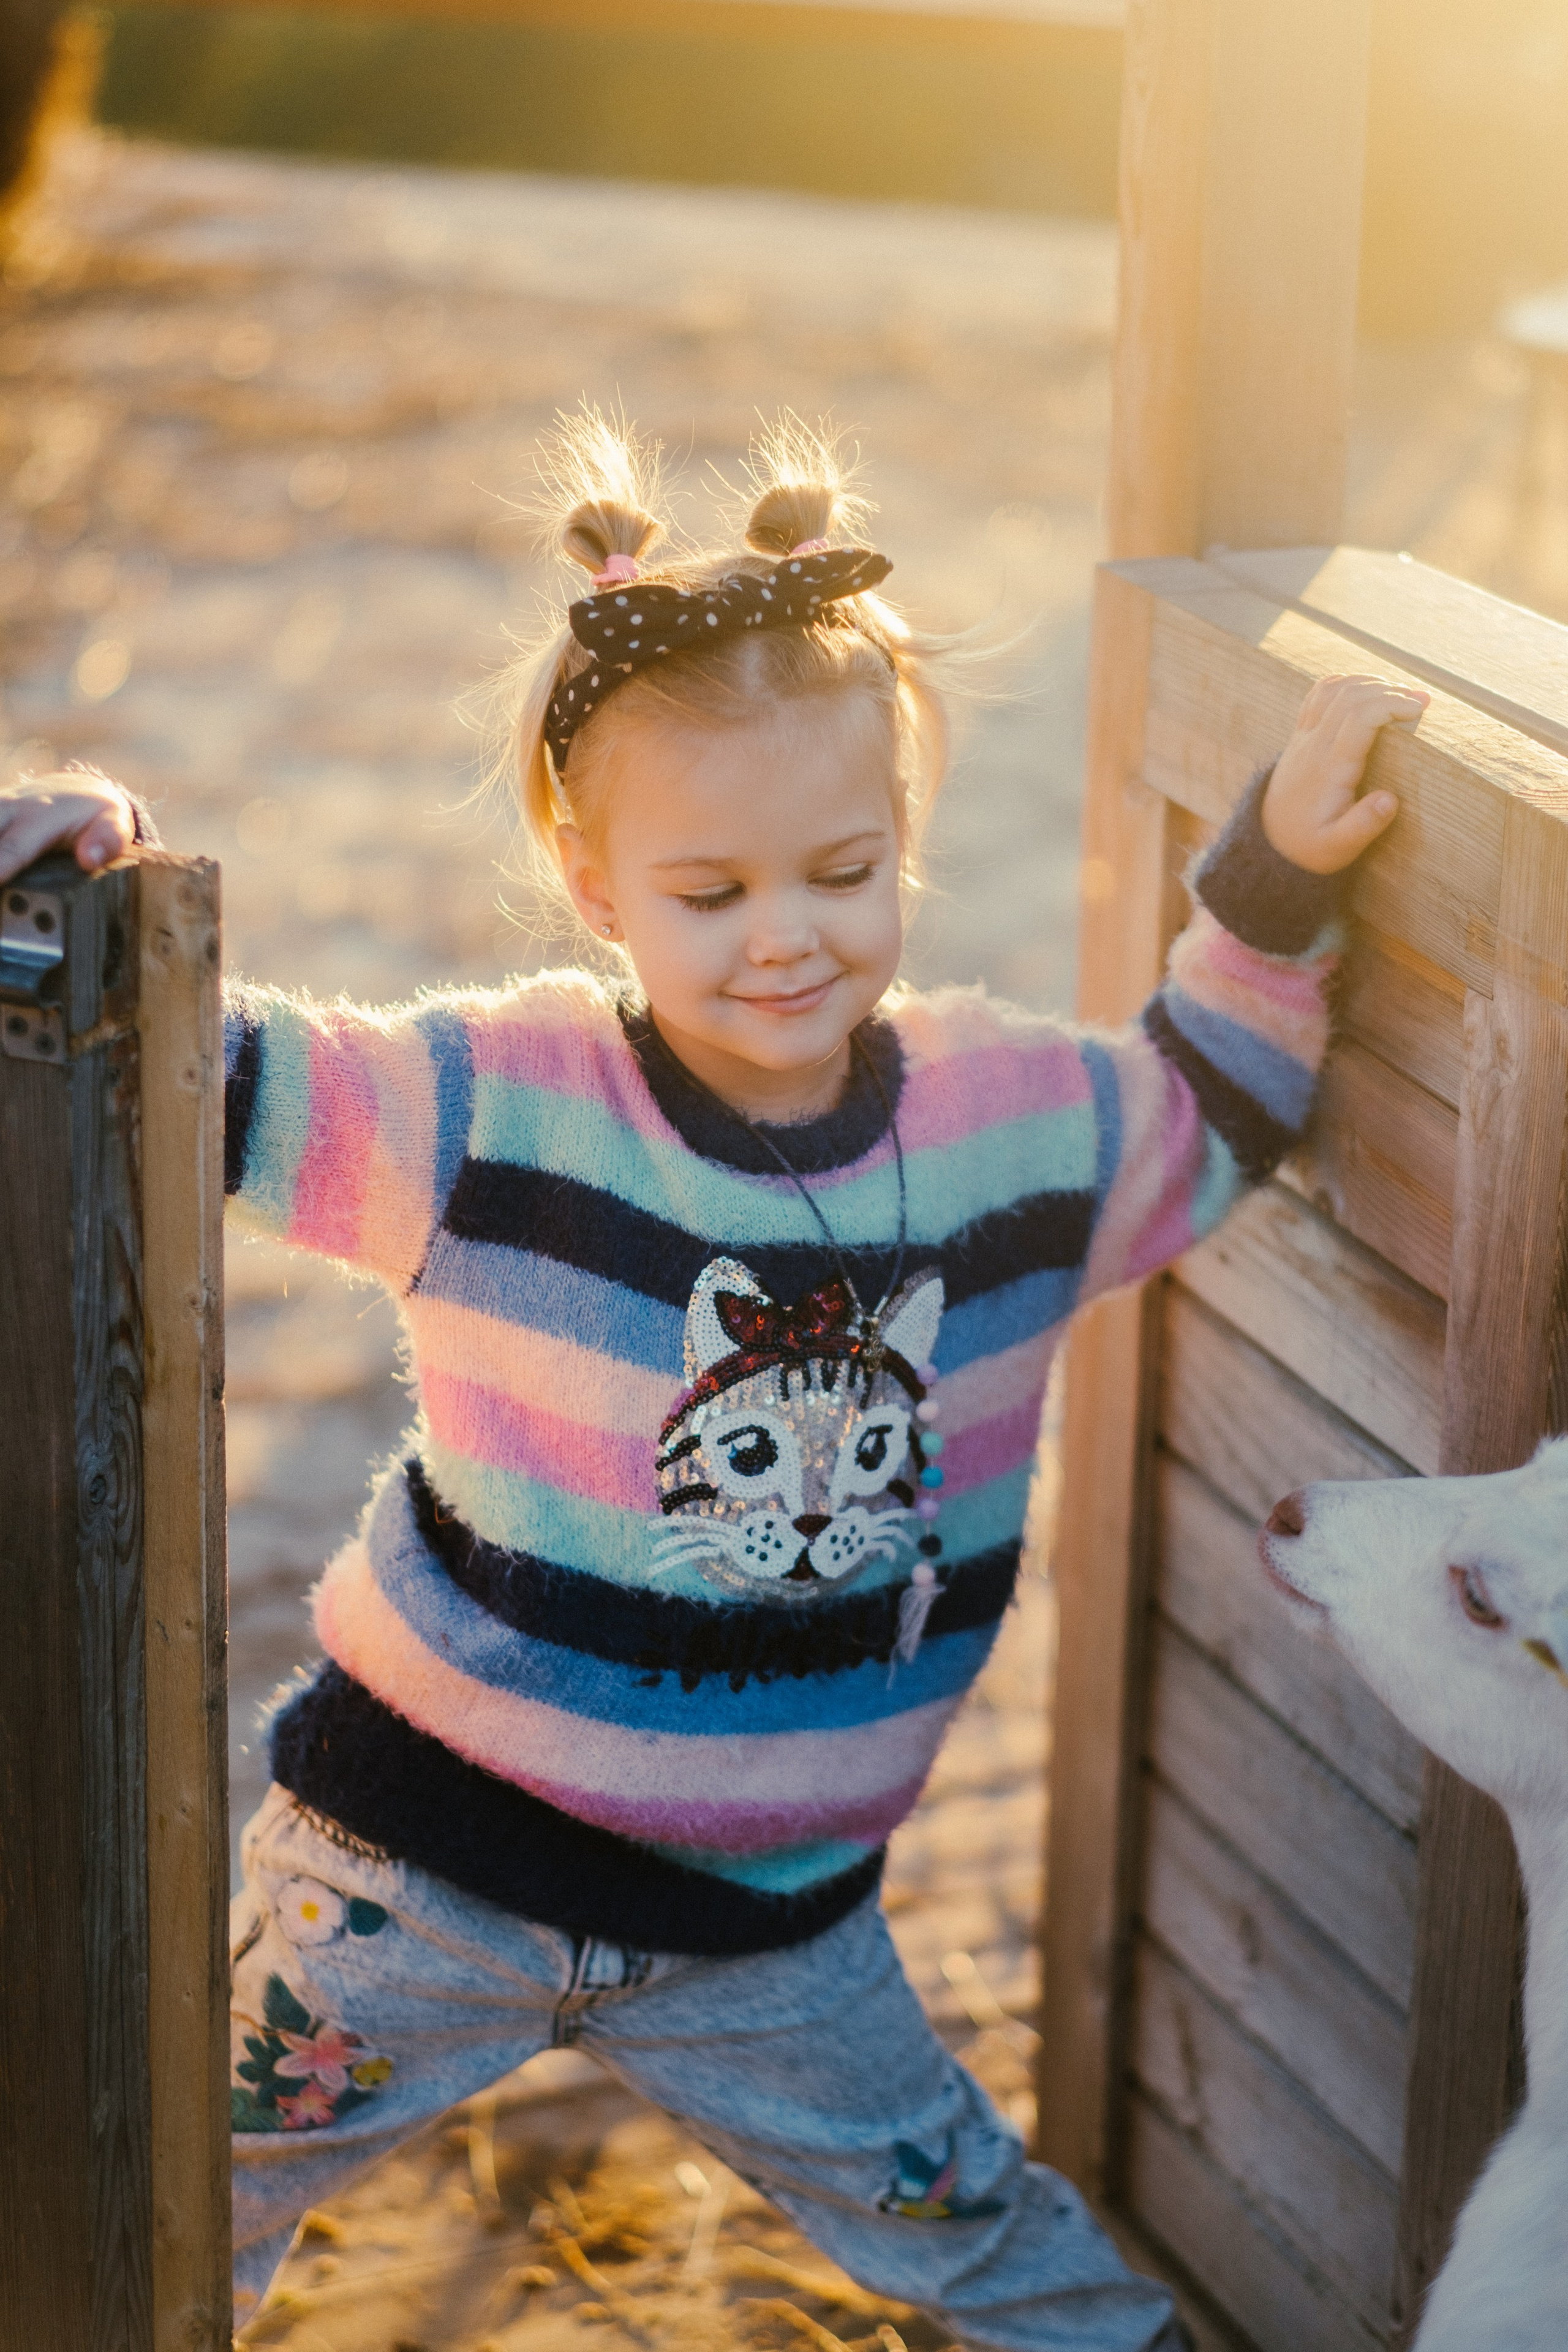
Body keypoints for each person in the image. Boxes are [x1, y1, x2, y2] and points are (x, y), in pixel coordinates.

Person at [0, 412, 1425, 2350]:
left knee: (986, 2238)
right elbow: (221, 1080)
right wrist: (90, 886)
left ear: (906, 827)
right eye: (712, 893)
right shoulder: (495, 1111)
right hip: (405, 1888)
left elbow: (1209, 1107)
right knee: (154, 2187)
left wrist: (1270, 890)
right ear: (596, 888)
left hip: (776, 1934)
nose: (786, 939)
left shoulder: (1012, 1136)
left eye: (843, 870)